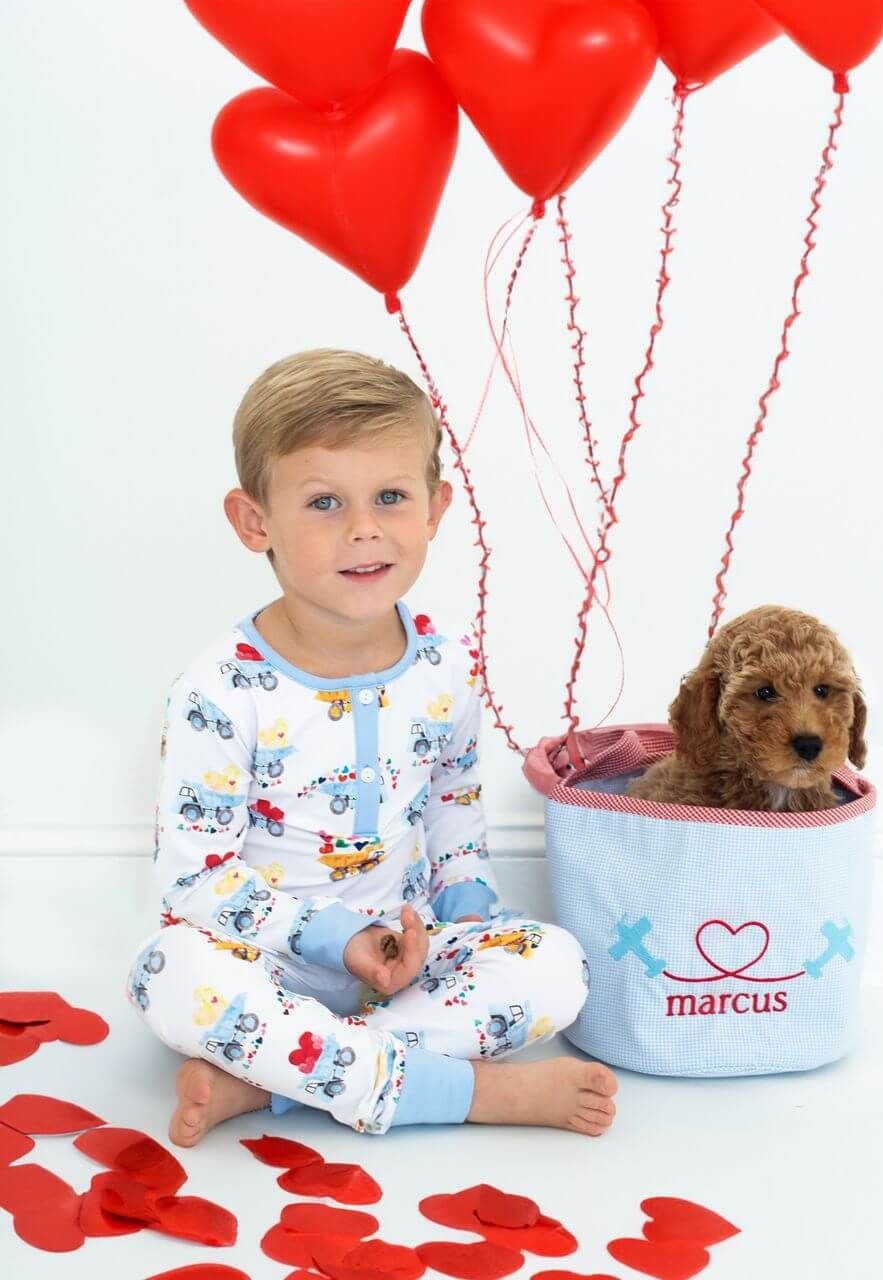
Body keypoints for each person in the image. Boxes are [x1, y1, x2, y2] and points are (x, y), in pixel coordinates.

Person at [125, 348, 617, 1144]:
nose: (364, 529)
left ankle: (269, 1085)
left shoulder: (448, 663)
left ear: (434, 509)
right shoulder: (218, 690)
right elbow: (196, 878)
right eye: (324, 502)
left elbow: (456, 813)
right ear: (256, 522)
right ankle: (465, 1092)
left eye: (391, 496)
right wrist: (337, 940)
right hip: (266, 958)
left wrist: (455, 927)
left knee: (558, 966)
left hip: (407, 958)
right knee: (167, 975)